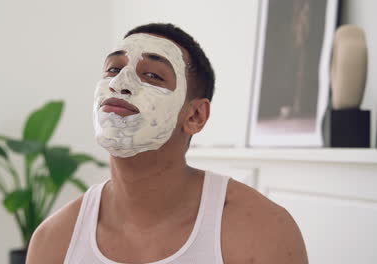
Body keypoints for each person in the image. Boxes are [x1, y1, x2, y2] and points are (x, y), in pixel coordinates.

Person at [26, 23, 308, 264]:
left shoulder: (261, 230)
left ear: (195, 115)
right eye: (113, 69)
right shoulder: (54, 242)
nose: (119, 83)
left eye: (152, 75)